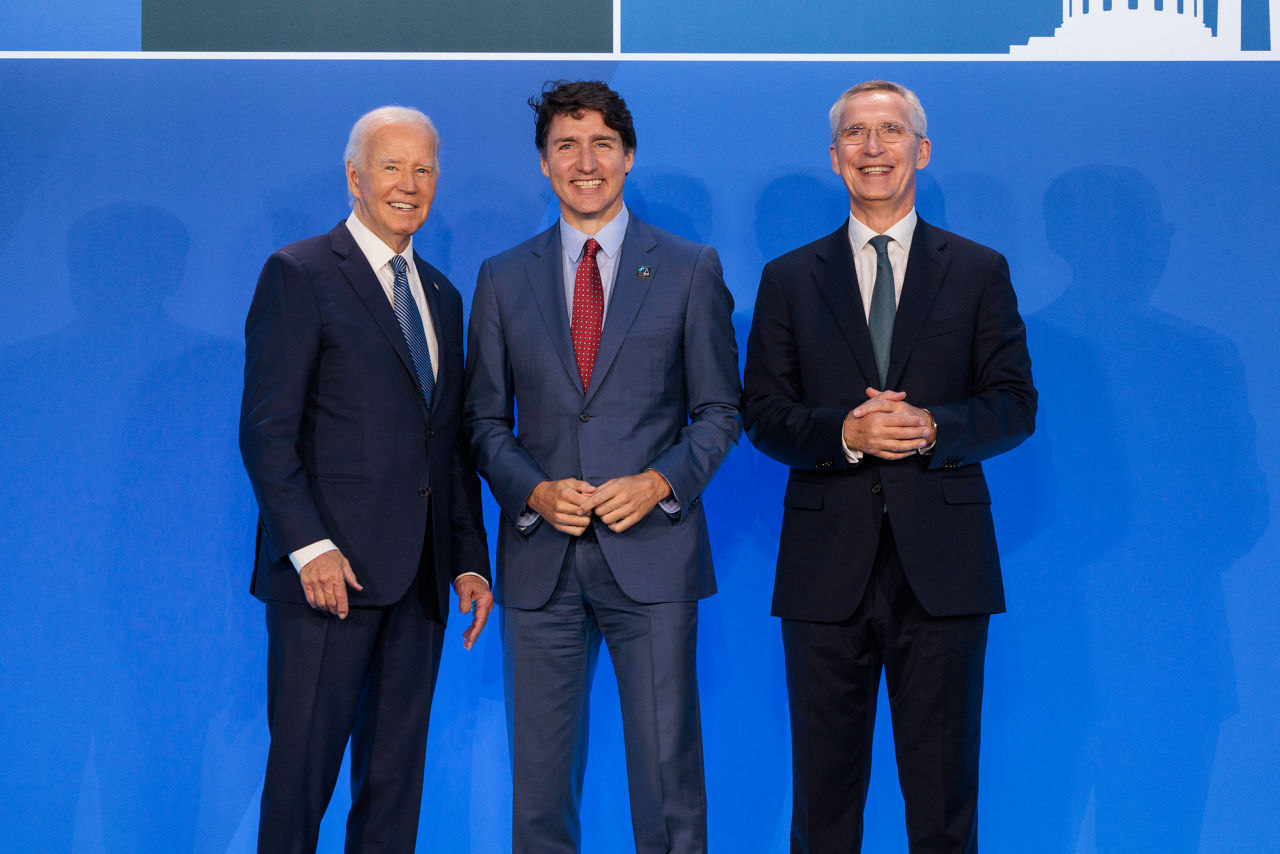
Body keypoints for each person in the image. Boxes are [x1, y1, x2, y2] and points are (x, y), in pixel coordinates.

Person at [742, 80, 1037, 853]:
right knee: (823, 809)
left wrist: (933, 425)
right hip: (822, 573)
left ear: (922, 150)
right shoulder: (788, 278)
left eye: (892, 131)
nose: (874, 148)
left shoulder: (978, 271)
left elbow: (1014, 404)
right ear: (834, 156)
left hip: (942, 572)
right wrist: (845, 431)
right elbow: (762, 416)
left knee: (943, 810)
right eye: (858, 134)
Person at [464, 80, 741, 854]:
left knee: (668, 787)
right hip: (540, 563)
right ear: (544, 165)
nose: (586, 162)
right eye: (566, 146)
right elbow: (482, 422)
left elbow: (721, 413)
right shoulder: (502, 276)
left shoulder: (689, 268)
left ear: (628, 158)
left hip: (653, 555)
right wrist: (535, 490)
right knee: (539, 794)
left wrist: (659, 482)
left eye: (602, 145)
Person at [239, 106, 493, 853]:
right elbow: (266, 431)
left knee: (392, 792)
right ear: (355, 177)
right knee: (300, 787)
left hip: (419, 584)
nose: (408, 184)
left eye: (423, 170)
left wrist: (470, 558)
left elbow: (443, 446)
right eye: (392, 166)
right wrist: (309, 548)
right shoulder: (300, 273)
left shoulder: (442, 295)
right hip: (329, 583)